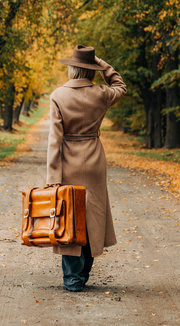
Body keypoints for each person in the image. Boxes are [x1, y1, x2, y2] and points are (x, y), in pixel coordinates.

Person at [46, 44, 127, 292]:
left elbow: (54, 141)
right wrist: (101, 63)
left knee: (70, 217)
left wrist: (53, 178)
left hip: (68, 161)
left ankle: (72, 277)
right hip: (93, 159)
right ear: (91, 70)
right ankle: (84, 272)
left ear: (71, 69)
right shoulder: (101, 93)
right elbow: (120, 86)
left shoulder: (58, 96)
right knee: (92, 215)